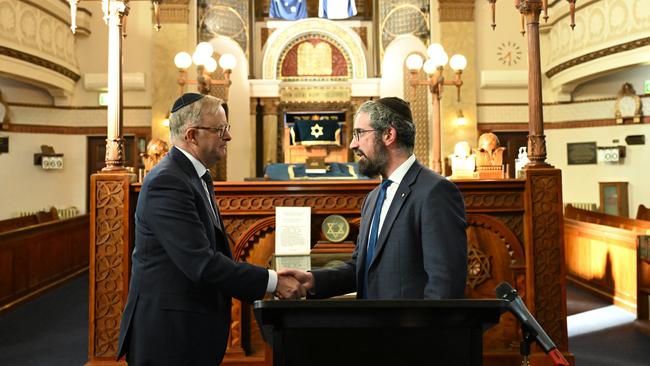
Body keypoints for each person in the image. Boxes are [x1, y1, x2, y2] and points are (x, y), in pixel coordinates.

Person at [117, 93, 304, 366]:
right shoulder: (167, 181)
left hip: (190, 328)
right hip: (169, 335)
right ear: (192, 135)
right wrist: (273, 281)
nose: (227, 137)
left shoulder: (194, 174)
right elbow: (201, 263)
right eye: (221, 130)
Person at [280, 97, 468, 299]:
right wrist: (313, 280)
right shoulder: (373, 198)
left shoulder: (435, 192)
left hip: (411, 330)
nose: (353, 144)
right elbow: (362, 269)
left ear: (388, 134)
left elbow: (444, 286)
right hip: (371, 328)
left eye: (359, 133)